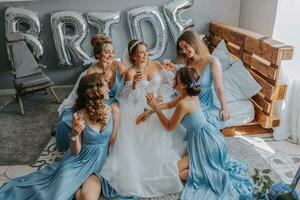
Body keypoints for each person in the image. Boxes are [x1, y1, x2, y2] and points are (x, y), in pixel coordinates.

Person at [142, 67, 253, 200]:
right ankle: (206, 169)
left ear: (182, 85)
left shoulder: (184, 104)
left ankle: (208, 173)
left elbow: (169, 127)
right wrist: (152, 109)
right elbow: (169, 105)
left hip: (206, 145)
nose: (172, 79)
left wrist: (155, 108)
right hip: (210, 136)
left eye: (175, 78)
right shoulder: (187, 96)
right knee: (178, 171)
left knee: (176, 173)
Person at [0, 73, 116, 200]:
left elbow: (112, 139)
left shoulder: (114, 110)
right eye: (105, 86)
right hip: (77, 162)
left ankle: (76, 190)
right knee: (55, 196)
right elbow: (76, 151)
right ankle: (74, 187)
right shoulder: (79, 116)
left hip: (97, 167)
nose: (109, 89)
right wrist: (75, 134)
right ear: (96, 92)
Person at [99, 39, 185, 198]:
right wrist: (133, 86)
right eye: (141, 52)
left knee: (167, 125)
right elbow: (128, 99)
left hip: (157, 103)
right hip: (138, 106)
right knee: (143, 129)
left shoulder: (156, 65)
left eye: (146, 51)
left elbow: (166, 85)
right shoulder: (130, 72)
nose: (145, 55)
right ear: (133, 56)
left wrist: (159, 97)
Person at [56, 34, 127, 152]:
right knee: (66, 122)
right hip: (98, 102)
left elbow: (131, 82)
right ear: (98, 54)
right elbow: (90, 97)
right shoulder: (91, 72)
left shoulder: (119, 66)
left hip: (116, 101)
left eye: (113, 52)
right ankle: (84, 146)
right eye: (107, 52)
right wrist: (102, 81)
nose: (111, 55)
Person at [165, 29, 229, 130]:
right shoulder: (189, 62)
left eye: (186, 46)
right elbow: (186, 81)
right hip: (188, 99)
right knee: (167, 111)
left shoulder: (212, 61)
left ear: (194, 43)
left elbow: (218, 87)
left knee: (185, 124)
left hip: (203, 103)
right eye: (182, 49)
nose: (184, 51)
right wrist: (174, 69)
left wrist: (224, 108)